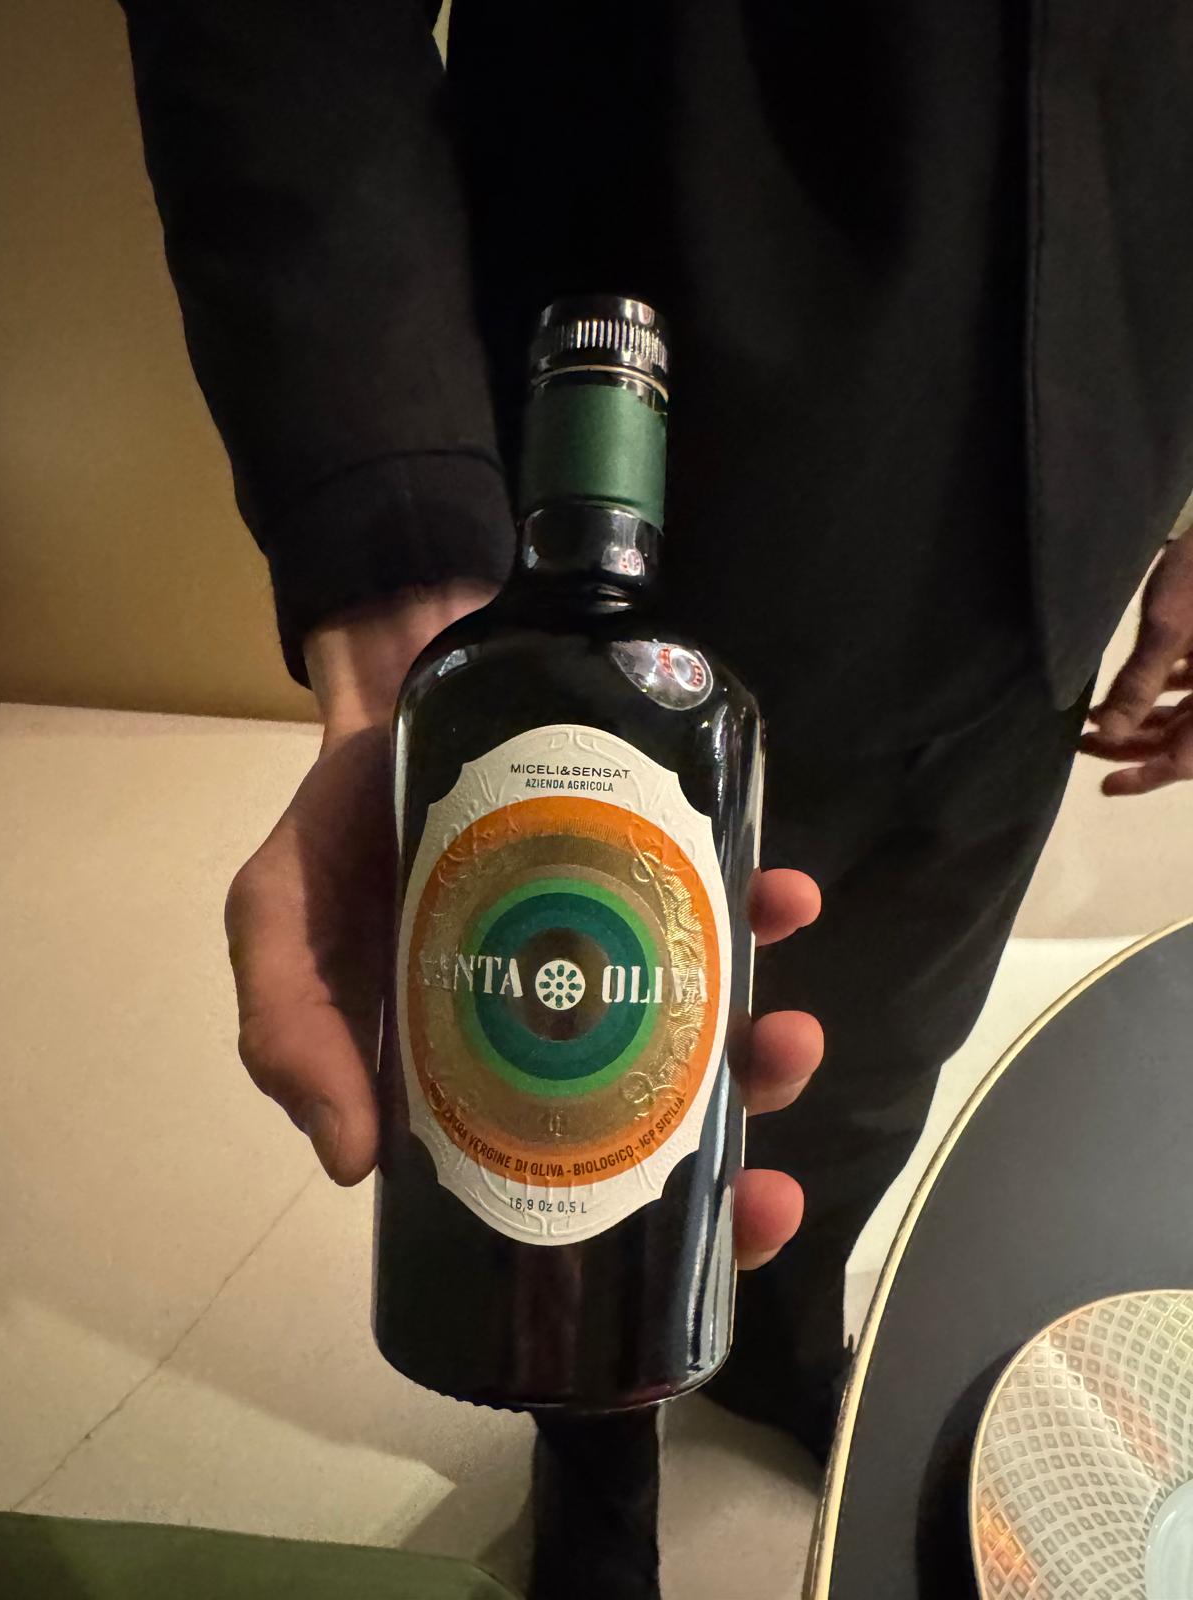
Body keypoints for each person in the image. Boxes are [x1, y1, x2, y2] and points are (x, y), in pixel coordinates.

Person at [117, 4, 1193, 1596]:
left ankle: (785, 1327)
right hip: (662, 462)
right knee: (576, 1097)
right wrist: (406, 602)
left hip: (1055, 557)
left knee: (874, 1043)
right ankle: (593, 1441)